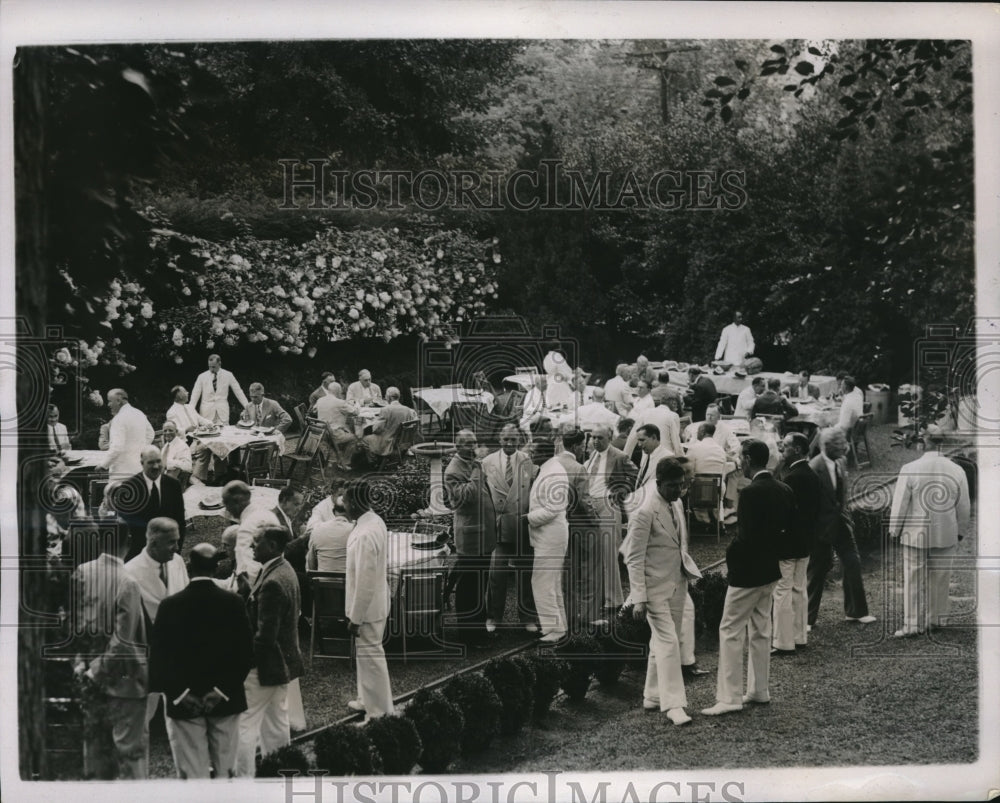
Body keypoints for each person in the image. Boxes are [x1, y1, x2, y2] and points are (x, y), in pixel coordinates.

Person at [702, 439, 792, 716]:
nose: (739, 461)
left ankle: (729, 698)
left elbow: (746, 538)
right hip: (769, 570)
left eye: (741, 456)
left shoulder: (752, 492)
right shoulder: (784, 489)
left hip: (748, 572)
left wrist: (732, 557)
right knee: (761, 630)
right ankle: (758, 689)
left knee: (729, 630)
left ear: (750, 458)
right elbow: (785, 531)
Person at [149, 543, 254, 779]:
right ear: (216, 569)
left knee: (192, 772)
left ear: (189, 566)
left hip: (184, 701)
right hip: (225, 701)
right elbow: (246, 653)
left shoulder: (169, 605)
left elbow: (159, 658)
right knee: (226, 769)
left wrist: (182, 694)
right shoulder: (233, 603)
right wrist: (221, 690)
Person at [621, 457, 701, 725]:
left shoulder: (676, 504)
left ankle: (652, 696)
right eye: (673, 486)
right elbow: (633, 557)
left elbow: (680, 545)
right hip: (653, 589)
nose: (678, 491)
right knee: (668, 643)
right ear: (658, 483)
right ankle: (674, 705)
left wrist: (687, 574)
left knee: (665, 641)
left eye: (681, 485)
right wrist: (639, 598)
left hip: (677, 583)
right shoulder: (644, 512)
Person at [72, 521, 149, 779]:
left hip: (88, 676)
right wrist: (97, 670)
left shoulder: (81, 573)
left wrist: (81, 663)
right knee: (130, 755)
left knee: (94, 753)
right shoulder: (128, 582)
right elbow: (123, 640)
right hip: (122, 680)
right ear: (128, 541)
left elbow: (75, 626)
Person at [888, 424, 971, 637]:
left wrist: (894, 530)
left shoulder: (910, 468)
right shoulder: (957, 469)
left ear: (924, 441)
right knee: (941, 576)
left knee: (913, 577)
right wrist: (961, 530)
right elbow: (963, 506)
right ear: (942, 443)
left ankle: (912, 624)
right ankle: (937, 619)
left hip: (915, 533)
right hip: (946, 531)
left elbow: (900, 504)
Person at [235, 526, 304, 776]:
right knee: (276, 723)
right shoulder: (285, 570)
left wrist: (246, 662)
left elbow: (265, 635)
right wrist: (249, 595)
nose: (252, 546)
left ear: (272, 546)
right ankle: (281, 774)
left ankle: (242, 782)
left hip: (266, 665)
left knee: (243, 723)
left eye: (257, 542)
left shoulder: (273, 581)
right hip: (283, 662)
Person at [806, 428, 876, 627]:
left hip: (842, 523)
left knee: (852, 563)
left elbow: (842, 495)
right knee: (817, 570)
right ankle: (807, 619)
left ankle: (856, 611)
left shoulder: (841, 461)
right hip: (821, 527)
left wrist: (846, 516)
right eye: (839, 447)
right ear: (826, 447)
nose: (844, 450)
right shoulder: (814, 467)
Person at [342, 478, 394, 719]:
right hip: (375, 603)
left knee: (371, 657)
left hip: (368, 608)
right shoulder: (373, 521)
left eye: (346, 500)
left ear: (355, 502)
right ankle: (366, 700)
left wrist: (356, 616)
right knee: (366, 656)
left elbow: (365, 580)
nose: (343, 505)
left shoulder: (365, 532)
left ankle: (380, 713)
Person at [482, 425, 538, 633]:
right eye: (505, 439)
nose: (509, 443)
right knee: (496, 574)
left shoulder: (527, 460)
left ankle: (528, 617)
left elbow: (533, 492)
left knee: (526, 573)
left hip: (522, 525)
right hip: (498, 527)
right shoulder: (487, 462)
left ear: (518, 439)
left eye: (513, 439)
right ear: (499, 438)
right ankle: (493, 616)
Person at [444, 429, 497, 645]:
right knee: (469, 589)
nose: (473, 447)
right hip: (470, 538)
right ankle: (468, 634)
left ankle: (479, 630)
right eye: (468, 444)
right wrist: (476, 471)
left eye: (475, 442)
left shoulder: (473, 464)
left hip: (484, 535)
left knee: (480, 584)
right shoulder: (453, 470)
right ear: (458, 446)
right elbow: (467, 498)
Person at [771, 433, 819, 654]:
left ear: (798, 449)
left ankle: (783, 641)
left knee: (782, 590)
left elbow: (782, 513)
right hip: (805, 541)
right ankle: (800, 637)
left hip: (788, 542)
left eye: (786, 446)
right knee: (800, 589)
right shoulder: (810, 474)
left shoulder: (791, 477)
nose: (782, 449)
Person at [584, 425, 638, 612]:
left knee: (609, 553)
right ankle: (599, 596)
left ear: (609, 437)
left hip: (608, 504)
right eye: (593, 437)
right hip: (591, 505)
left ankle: (614, 600)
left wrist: (622, 490)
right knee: (594, 554)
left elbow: (634, 474)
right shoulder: (592, 456)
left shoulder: (619, 455)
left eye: (599, 437)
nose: (595, 441)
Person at [556, 429, 602, 628]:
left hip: (559, 525)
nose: (584, 449)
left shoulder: (552, 464)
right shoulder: (578, 468)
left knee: (567, 573)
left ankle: (568, 615)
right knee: (590, 572)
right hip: (580, 524)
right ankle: (589, 616)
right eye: (583, 446)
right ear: (575, 446)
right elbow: (584, 500)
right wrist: (596, 521)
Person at [527, 439, 571, 643]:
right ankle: (558, 626)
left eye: (533, 450)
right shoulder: (548, 468)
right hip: (548, 534)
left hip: (551, 535)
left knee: (542, 581)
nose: (529, 453)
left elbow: (554, 508)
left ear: (544, 453)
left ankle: (555, 629)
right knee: (551, 582)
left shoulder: (554, 472)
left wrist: (527, 518)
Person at [113, 445, 186, 561]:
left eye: (158, 461)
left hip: (169, 553)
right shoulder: (129, 487)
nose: (156, 466)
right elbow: (124, 526)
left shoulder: (173, 485)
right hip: (138, 555)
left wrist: (176, 551)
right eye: (151, 463)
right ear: (142, 463)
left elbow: (180, 521)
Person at [125, 517, 189, 625]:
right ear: (153, 543)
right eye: (171, 542)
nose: (177, 548)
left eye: (177, 541)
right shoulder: (129, 573)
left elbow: (187, 597)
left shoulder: (177, 561)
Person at [221, 480, 280, 584]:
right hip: (275, 577)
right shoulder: (266, 513)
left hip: (259, 588)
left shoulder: (246, 527)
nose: (226, 509)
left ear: (236, 502)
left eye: (226, 503)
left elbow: (248, 573)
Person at [100, 389, 155, 480]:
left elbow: (117, 448)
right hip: (139, 468)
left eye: (109, 401)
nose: (108, 405)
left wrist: (103, 465)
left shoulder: (118, 419)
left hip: (121, 471)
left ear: (118, 400)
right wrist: (138, 449)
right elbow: (151, 434)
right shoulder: (139, 413)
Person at [624, 424, 674, 514]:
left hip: (657, 509)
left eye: (642, 440)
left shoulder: (667, 457)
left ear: (654, 437)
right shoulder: (647, 456)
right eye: (638, 441)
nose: (639, 444)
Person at [623, 385, 683, 458]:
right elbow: (677, 444)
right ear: (674, 403)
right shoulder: (673, 416)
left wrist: (625, 457)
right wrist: (682, 461)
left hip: (647, 459)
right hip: (666, 460)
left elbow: (632, 438)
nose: (677, 408)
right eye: (678, 405)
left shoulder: (645, 412)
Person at [190, 354, 250, 425]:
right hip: (206, 414)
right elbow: (195, 394)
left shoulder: (228, 375)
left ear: (219, 364)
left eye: (213, 367)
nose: (211, 369)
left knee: (224, 433)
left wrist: (248, 407)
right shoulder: (201, 376)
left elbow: (238, 391)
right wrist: (190, 410)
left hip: (222, 413)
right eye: (209, 366)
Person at [314, 380, 361, 469]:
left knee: (346, 430)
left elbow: (314, 410)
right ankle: (344, 462)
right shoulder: (340, 402)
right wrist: (356, 405)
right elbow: (355, 412)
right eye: (341, 392)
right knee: (354, 438)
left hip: (321, 432)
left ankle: (334, 459)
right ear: (338, 392)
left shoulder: (320, 400)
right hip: (333, 434)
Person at [362, 386, 418, 458]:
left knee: (364, 439)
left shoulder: (386, 410)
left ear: (389, 397)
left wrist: (373, 422)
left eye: (386, 396)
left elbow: (377, 429)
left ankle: (373, 461)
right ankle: (379, 460)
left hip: (388, 442)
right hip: (403, 443)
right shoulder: (408, 410)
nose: (385, 398)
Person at [307, 494, 353, 573]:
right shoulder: (355, 530)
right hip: (347, 583)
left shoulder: (317, 529)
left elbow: (310, 563)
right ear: (350, 511)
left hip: (322, 582)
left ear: (334, 512)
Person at [160, 421, 194, 487]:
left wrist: (169, 463)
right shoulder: (165, 446)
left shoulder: (182, 446)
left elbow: (188, 467)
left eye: (170, 430)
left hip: (174, 482)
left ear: (176, 431)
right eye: (165, 431)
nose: (167, 433)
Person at [519, 374, 549, 438]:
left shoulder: (547, 392)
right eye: (544, 382)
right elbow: (527, 409)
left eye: (546, 381)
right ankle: (537, 441)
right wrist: (539, 409)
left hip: (546, 416)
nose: (547, 384)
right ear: (537, 383)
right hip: (531, 418)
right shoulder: (531, 394)